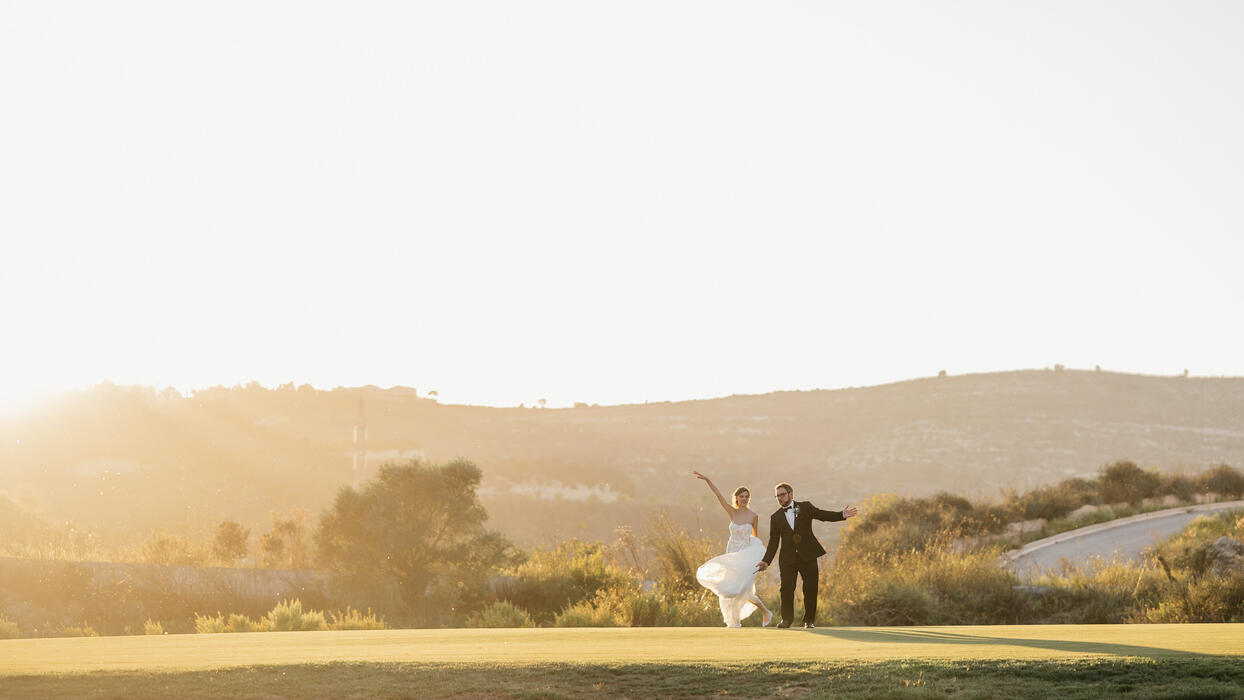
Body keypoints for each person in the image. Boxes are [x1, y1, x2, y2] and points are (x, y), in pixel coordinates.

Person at [756, 482, 858, 628]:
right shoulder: (776, 517)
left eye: (782, 495)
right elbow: (773, 542)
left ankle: (809, 620)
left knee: (810, 588)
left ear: (791, 494)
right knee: (786, 589)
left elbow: (822, 514)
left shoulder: (805, 507)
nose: (780, 498)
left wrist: (841, 515)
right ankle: (786, 620)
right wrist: (766, 561)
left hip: (808, 555)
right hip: (787, 559)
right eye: (777, 496)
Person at [692, 471, 774, 628]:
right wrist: (708, 480)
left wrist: (760, 560)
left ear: (748, 499)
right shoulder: (732, 512)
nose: (744, 499)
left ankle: (763, 612)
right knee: (730, 590)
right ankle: (737, 622)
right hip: (731, 553)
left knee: (743, 587)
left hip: (746, 556)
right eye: (741, 496)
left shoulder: (753, 516)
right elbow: (718, 496)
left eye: (746, 497)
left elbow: (755, 539)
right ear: (736, 498)